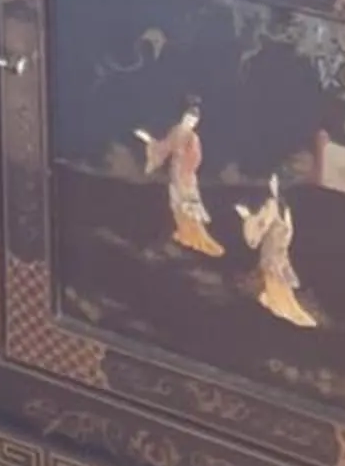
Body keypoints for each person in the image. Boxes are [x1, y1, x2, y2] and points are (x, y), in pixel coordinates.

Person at [134, 101, 224, 255]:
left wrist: (184, 164)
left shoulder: (193, 138)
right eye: (188, 118)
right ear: (183, 117)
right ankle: (185, 234)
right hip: (175, 174)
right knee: (177, 207)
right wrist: (148, 140)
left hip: (186, 176)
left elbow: (196, 158)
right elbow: (164, 147)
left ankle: (200, 240)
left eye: (193, 121)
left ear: (196, 123)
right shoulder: (176, 131)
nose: (190, 122)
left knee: (189, 208)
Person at [239, 173, 319, 326]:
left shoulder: (275, 206)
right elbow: (270, 227)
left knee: (276, 280)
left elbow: (261, 226)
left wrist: (247, 217)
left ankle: (282, 307)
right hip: (278, 249)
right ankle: (282, 306)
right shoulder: (280, 207)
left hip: (276, 250)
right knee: (278, 281)